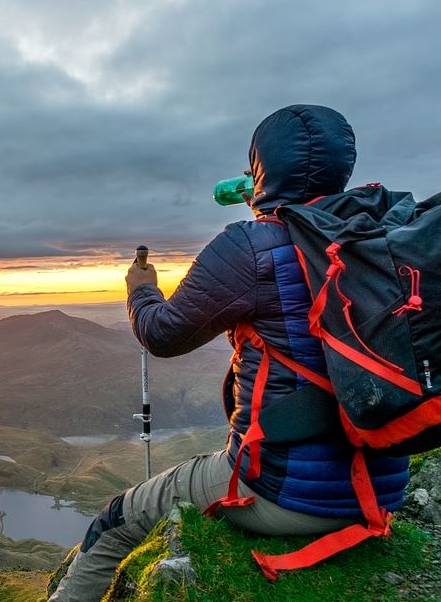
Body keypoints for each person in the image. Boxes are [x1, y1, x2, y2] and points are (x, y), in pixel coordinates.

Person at [48, 104, 410, 602]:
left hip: (284, 493)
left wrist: (140, 288)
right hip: (383, 484)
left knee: (115, 519)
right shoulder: (385, 238)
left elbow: (162, 334)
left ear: (261, 167)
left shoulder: (251, 245)